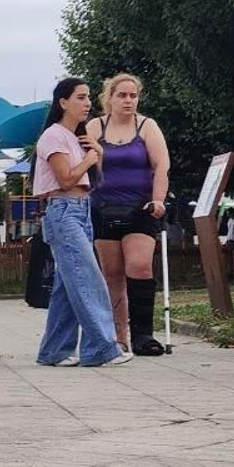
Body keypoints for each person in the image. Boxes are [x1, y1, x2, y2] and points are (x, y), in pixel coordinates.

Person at [33, 78, 130, 368]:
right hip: (63, 211)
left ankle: (55, 350)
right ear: (63, 102)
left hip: (81, 209)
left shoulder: (77, 137)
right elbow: (65, 179)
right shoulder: (53, 136)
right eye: (80, 97)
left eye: (88, 98)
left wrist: (96, 155)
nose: (88, 103)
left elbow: (92, 180)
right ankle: (101, 347)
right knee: (88, 278)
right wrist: (90, 158)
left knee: (69, 283)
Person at [86, 73, 171, 357]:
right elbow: (84, 165)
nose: (128, 101)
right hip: (103, 207)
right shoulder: (95, 127)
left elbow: (161, 166)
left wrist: (158, 199)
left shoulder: (147, 126)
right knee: (111, 274)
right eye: (122, 95)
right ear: (109, 98)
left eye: (133, 96)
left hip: (140, 208)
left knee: (140, 267)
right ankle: (117, 336)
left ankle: (143, 335)